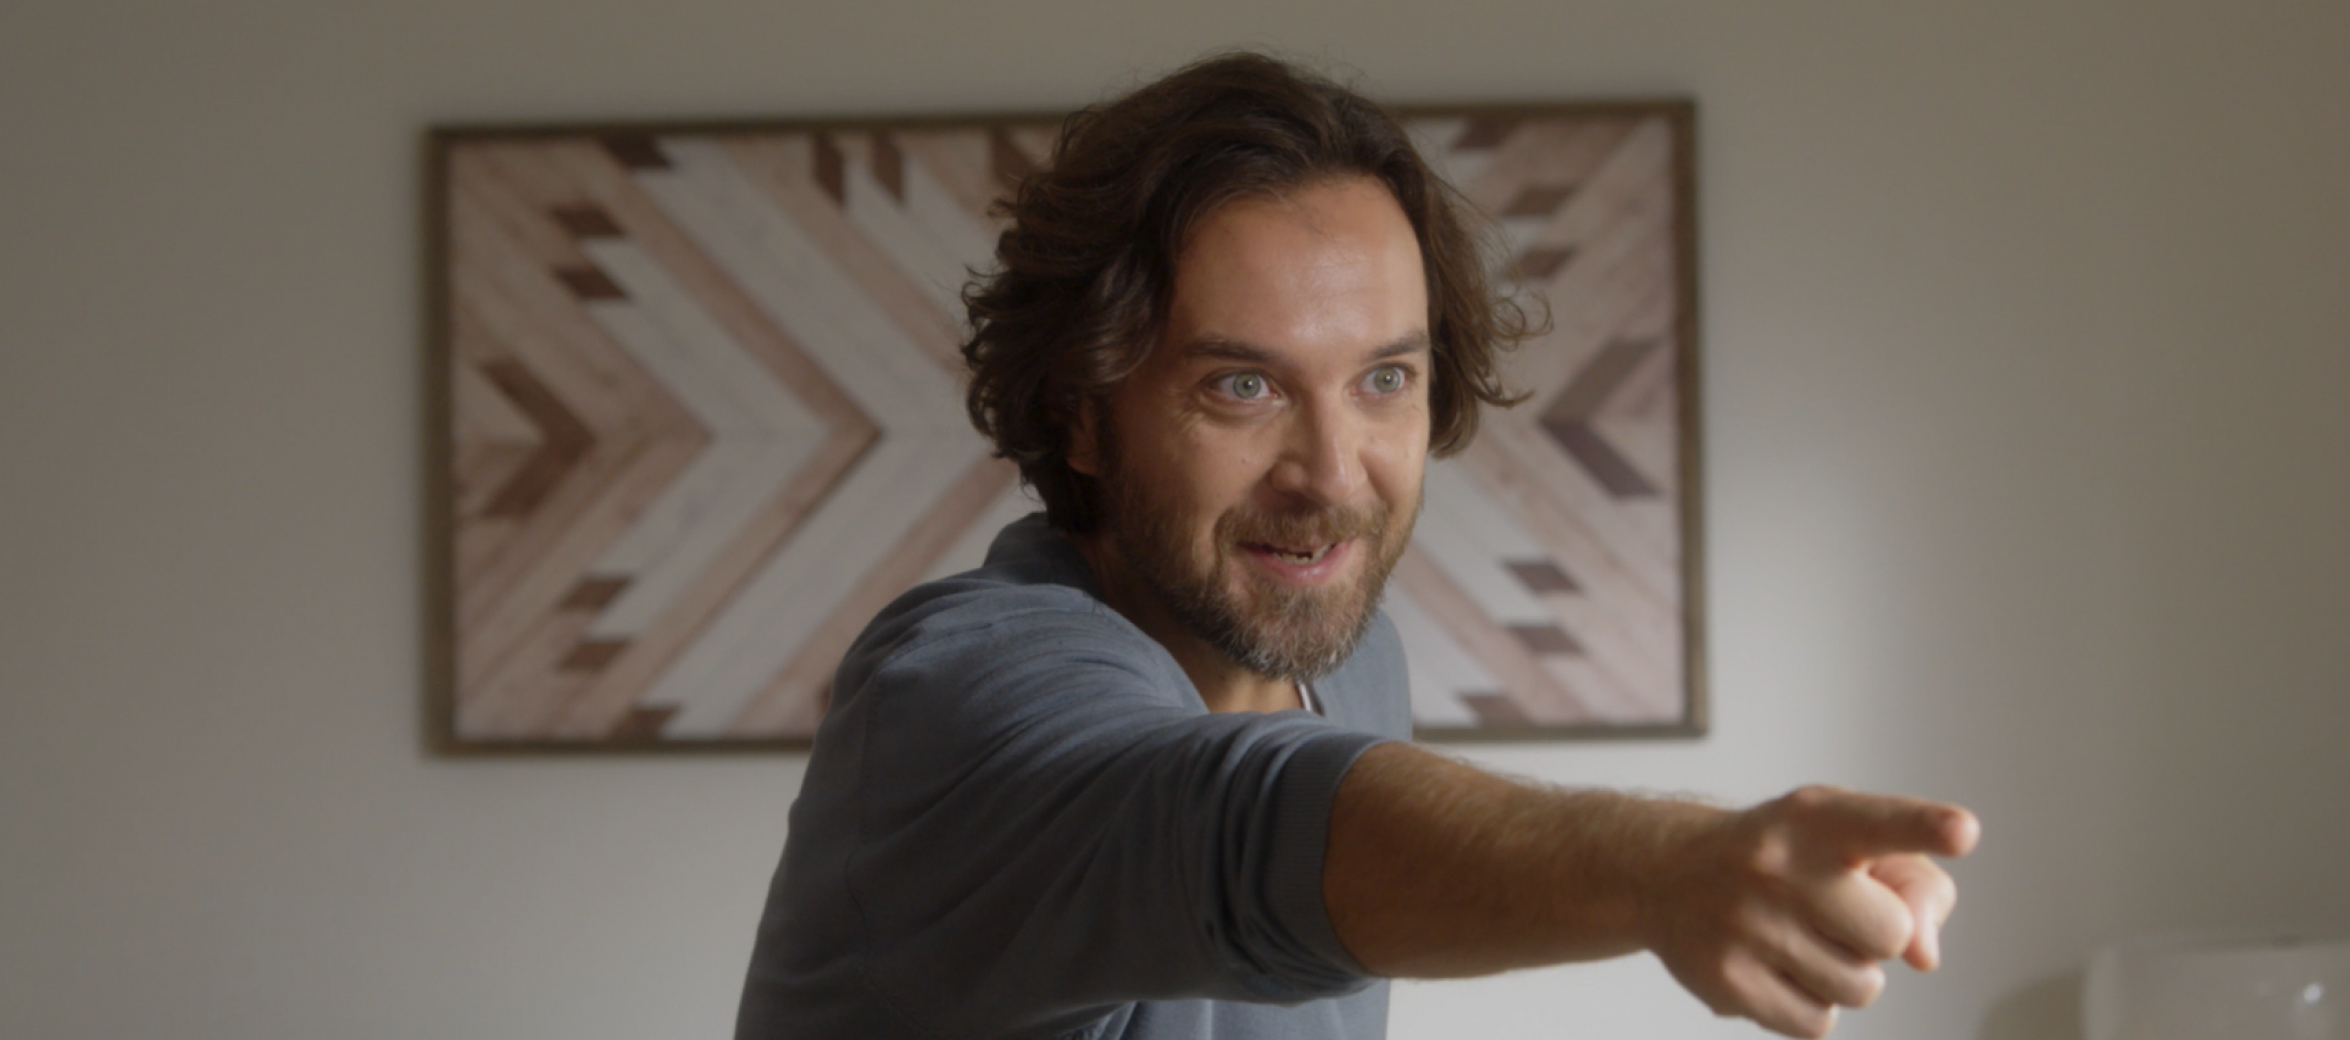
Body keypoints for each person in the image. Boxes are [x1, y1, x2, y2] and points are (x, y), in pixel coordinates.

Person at [734, 52, 1979, 1040]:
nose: (1331, 477)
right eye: (1241, 387)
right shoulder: (951, 697)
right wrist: (1668, 870)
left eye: (1383, 378)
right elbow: (1235, 830)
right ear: (1081, 415)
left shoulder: (1348, 658)